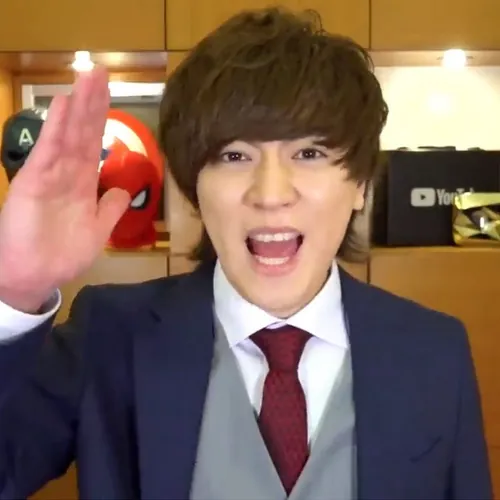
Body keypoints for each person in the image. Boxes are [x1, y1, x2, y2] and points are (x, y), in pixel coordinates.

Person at [0, 7, 492, 500]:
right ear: (194, 188)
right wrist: (13, 291)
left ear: (360, 184)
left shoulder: (434, 352)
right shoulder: (110, 335)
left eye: (309, 153)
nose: (271, 193)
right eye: (234, 156)